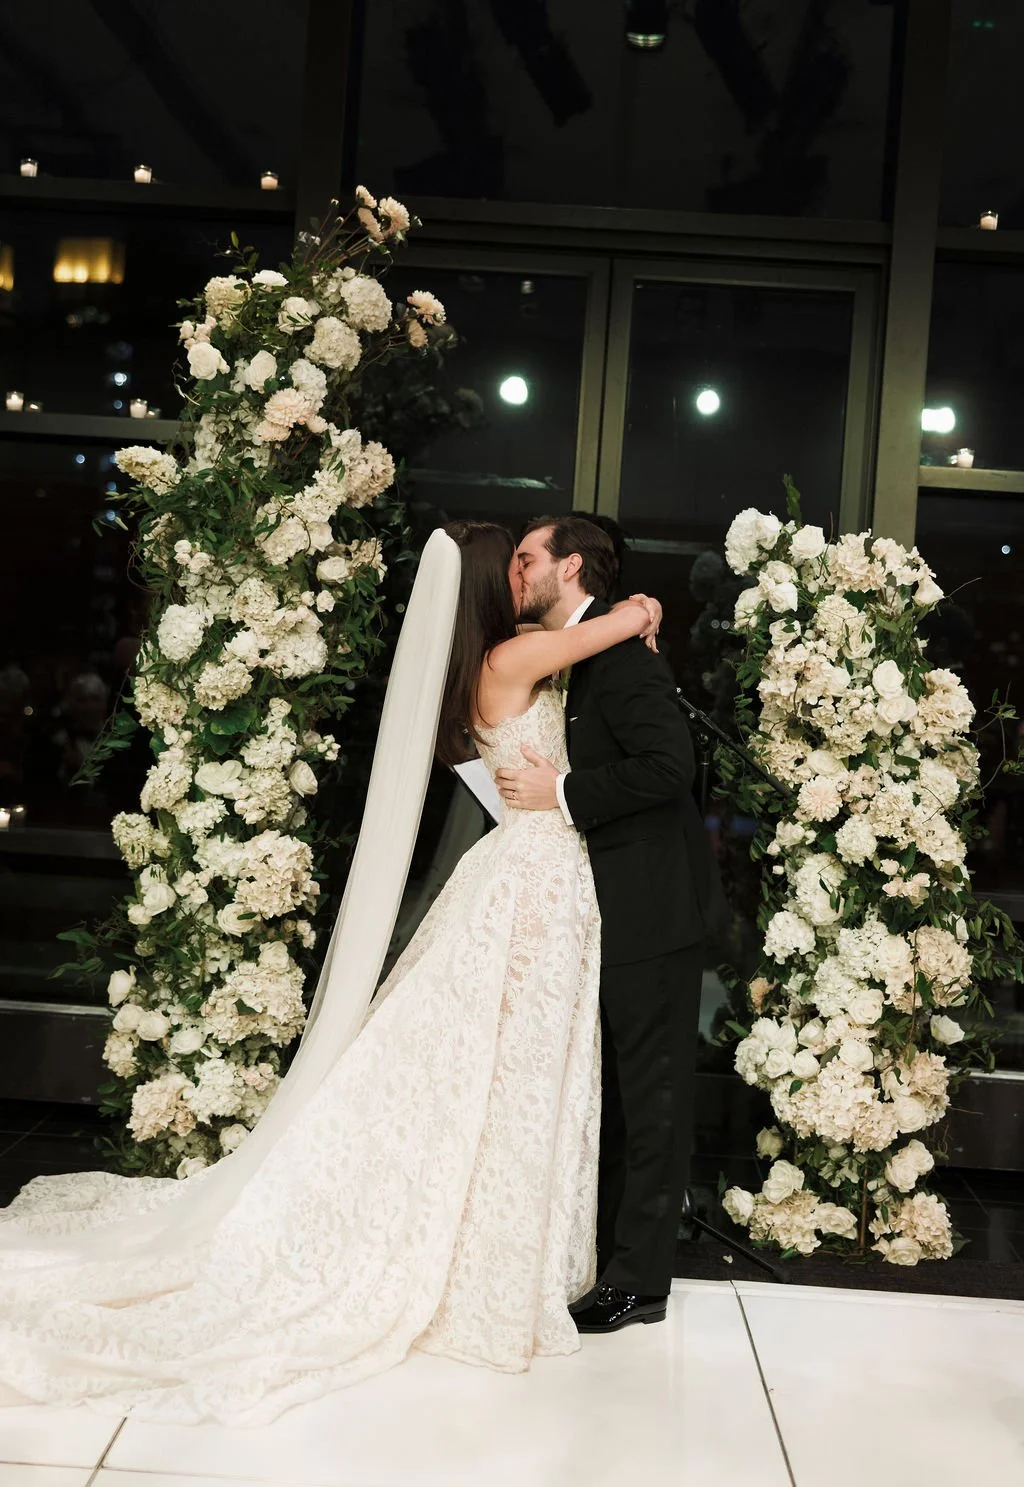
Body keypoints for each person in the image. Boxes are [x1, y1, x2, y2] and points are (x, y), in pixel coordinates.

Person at [0, 523, 662, 1426]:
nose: (520, 572)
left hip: (527, 873)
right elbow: (608, 628)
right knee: (513, 1063)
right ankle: (491, 1259)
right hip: (536, 879)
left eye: (527, 559)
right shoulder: (515, 656)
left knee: (497, 1062)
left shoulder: (493, 665)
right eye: (511, 564)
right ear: (482, 587)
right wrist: (639, 607)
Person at [496, 516, 725, 1333]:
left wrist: (562, 791)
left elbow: (671, 767)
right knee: (623, 1097)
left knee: (653, 1099)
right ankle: (610, 1261)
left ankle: (641, 1284)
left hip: (653, 909)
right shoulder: (591, 650)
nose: (516, 571)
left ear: (570, 566)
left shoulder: (621, 655)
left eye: (527, 558)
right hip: (607, 909)